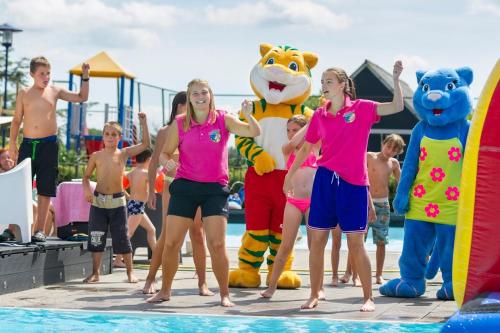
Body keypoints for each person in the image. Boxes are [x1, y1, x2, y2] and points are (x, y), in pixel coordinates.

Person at [284, 60, 404, 312]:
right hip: (325, 181)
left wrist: (395, 79)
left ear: (342, 85)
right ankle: (315, 293)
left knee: (355, 243)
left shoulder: (362, 109)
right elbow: (306, 147)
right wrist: (289, 175)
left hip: (354, 185)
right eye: (322, 82)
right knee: (316, 241)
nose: (324, 86)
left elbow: (397, 106)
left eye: (328, 81)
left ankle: (368, 297)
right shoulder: (319, 114)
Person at [146, 79, 261, 307]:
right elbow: (164, 154)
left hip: (214, 189)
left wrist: (248, 115)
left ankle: (224, 294)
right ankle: (165, 291)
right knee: (171, 243)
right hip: (185, 187)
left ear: (211, 95)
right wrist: (168, 164)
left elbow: (253, 131)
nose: (200, 96)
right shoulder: (179, 124)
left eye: (204, 92)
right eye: (195, 93)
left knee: (217, 244)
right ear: (188, 98)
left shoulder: (222, 119)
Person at [8, 56, 90, 242]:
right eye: (42, 74)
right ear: (32, 74)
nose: (46, 77)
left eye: (48, 73)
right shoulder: (24, 93)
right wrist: (12, 144)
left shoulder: (55, 91)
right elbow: (16, 120)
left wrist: (85, 77)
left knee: (45, 189)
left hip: (49, 145)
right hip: (28, 144)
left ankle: (39, 230)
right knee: (20, 188)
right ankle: (12, 229)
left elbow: (82, 97)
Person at [143, 91, 213, 297]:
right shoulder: (167, 131)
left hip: (197, 185)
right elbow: (155, 162)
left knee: (197, 234)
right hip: (173, 184)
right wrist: (150, 190)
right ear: (180, 106)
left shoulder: (200, 128)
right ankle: (150, 279)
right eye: (190, 103)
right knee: (167, 236)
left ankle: (202, 283)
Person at [82, 113, 150, 283]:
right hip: (98, 202)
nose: (110, 137)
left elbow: (146, 144)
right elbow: (86, 177)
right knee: (96, 237)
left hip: (118, 202)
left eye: (114, 134)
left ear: (120, 138)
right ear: (103, 136)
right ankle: (96, 273)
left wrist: (144, 123)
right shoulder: (96, 156)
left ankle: (130, 273)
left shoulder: (124, 153)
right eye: (107, 134)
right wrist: (87, 191)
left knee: (122, 238)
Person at [260, 115, 319, 299]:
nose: (290, 134)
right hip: (293, 201)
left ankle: (317, 289)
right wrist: (310, 122)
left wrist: (312, 125)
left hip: (313, 202)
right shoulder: (287, 149)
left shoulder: (315, 146)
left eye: (294, 129)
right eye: (288, 130)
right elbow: (293, 143)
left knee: (314, 247)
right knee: (285, 247)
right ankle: (271, 287)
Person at [366, 134, 404, 284]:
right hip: (365, 203)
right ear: (383, 143)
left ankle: (378, 274)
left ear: (397, 152)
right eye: (388, 146)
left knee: (381, 241)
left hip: (382, 205)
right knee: (357, 240)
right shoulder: (369, 157)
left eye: (394, 150)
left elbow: (401, 183)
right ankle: (351, 273)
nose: (389, 151)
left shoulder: (393, 163)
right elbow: (358, 176)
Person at [113, 148, 157, 269]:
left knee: (151, 230)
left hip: (135, 204)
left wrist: (128, 197)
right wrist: (167, 166)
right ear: (148, 160)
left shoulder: (132, 172)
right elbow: (157, 177)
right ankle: (117, 260)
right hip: (137, 205)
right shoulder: (145, 173)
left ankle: (157, 257)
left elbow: (120, 185)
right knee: (128, 233)